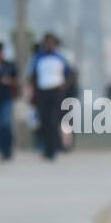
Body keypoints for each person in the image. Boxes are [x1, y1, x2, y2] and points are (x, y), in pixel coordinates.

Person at [28, 32, 73, 160]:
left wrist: (64, 86)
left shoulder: (60, 58)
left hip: (56, 91)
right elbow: (32, 76)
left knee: (54, 119)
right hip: (43, 91)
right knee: (44, 120)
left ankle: (54, 148)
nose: (49, 45)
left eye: (51, 43)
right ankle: (47, 147)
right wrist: (33, 92)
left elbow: (70, 74)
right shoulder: (38, 58)